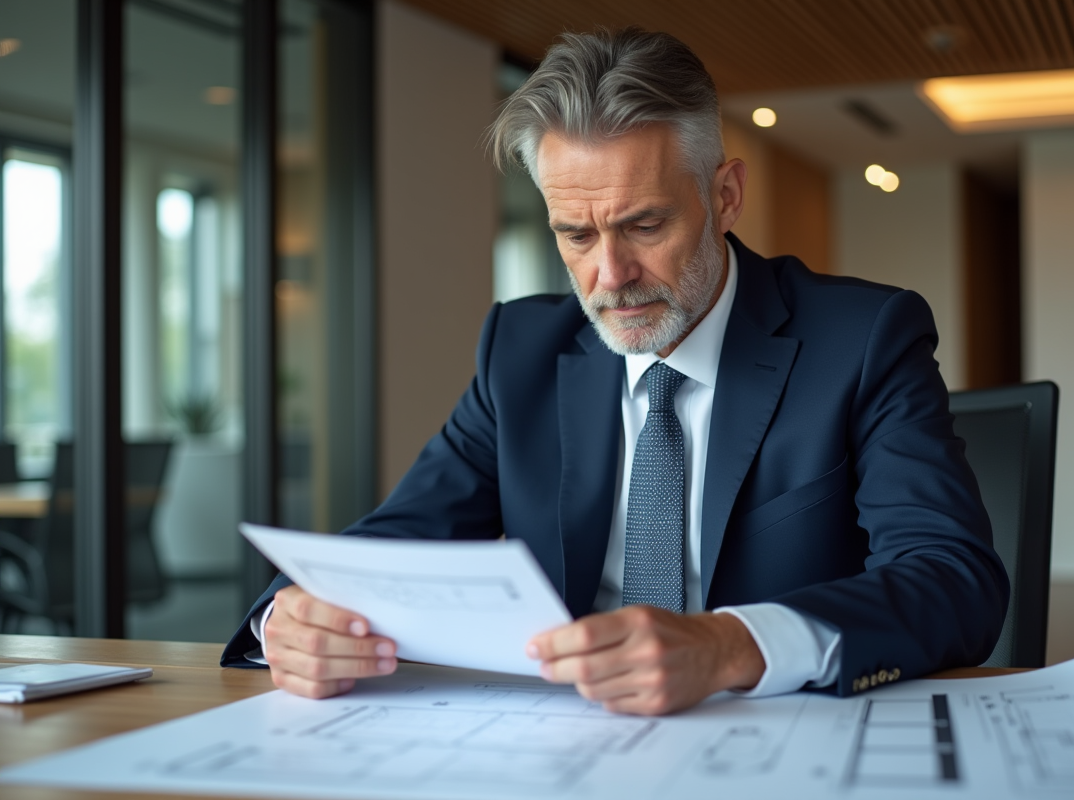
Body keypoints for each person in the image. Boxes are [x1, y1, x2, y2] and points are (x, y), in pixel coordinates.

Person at [222, 28, 1008, 716]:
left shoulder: (864, 337)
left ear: (725, 196)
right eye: (574, 233)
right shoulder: (521, 348)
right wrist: (291, 618)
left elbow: (952, 577)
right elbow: (399, 542)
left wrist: (731, 646)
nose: (609, 275)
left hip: (777, 740)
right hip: (564, 744)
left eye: (645, 224)